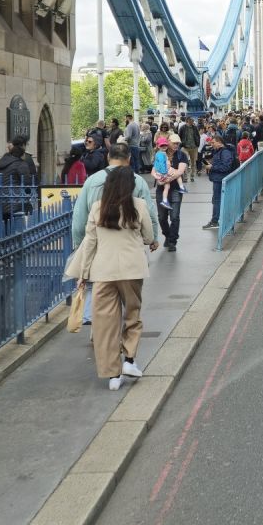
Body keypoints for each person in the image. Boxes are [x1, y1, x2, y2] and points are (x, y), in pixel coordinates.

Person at [69, 166, 154, 390]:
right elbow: (149, 236)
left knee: (105, 324)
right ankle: (129, 361)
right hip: (132, 270)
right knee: (132, 316)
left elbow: (89, 244)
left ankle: (112, 375)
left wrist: (83, 274)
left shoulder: (98, 208)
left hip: (103, 272)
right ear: (130, 186)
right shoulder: (140, 206)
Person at [156, 139, 189, 251]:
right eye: (174, 143)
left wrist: (167, 178)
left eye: (178, 143)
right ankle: (168, 235)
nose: (176, 145)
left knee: (174, 217)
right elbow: (154, 169)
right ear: (168, 143)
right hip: (162, 189)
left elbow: (180, 171)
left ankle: (172, 241)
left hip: (175, 189)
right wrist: (159, 179)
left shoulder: (181, 155)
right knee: (162, 217)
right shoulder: (160, 153)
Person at [203, 136, 238, 230]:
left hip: (220, 180)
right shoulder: (220, 151)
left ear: (219, 142)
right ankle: (220, 220)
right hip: (218, 179)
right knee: (218, 200)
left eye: (213, 143)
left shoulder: (225, 152)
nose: (212, 145)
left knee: (217, 201)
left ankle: (215, 221)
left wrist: (212, 167)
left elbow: (226, 167)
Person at [178, 115, 200, 182]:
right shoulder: (182, 128)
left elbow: (198, 136)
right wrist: (181, 144)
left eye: (193, 120)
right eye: (191, 120)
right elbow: (179, 136)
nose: (192, 121)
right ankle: (185, 177)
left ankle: (192, 176)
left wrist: (197, 143)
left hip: (194, 147)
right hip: (185, 147)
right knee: (185, 162)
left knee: (193, 162)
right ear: (187, 120)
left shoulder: (195, 128)